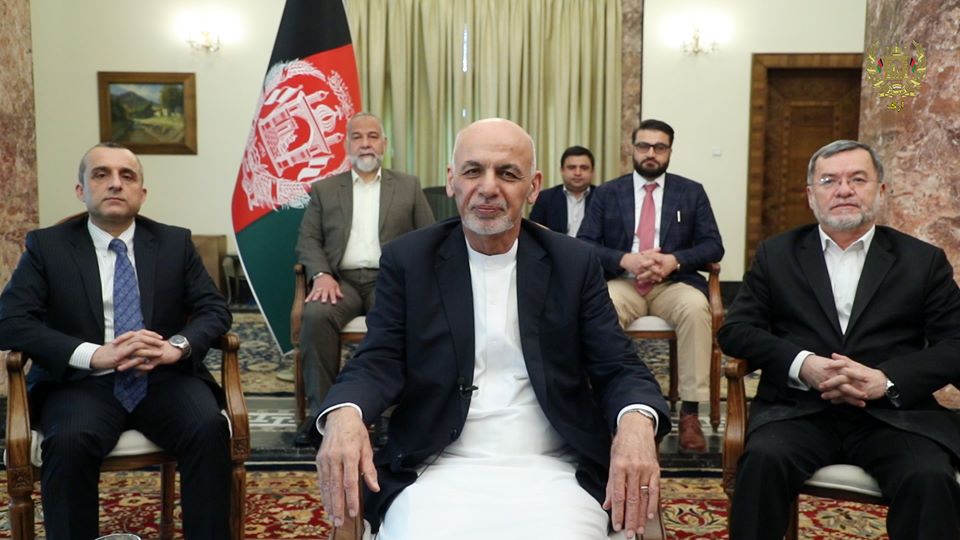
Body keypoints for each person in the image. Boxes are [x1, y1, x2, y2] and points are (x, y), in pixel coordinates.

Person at [315, 118, 670, 539]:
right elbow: (378, 360)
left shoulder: (573, 262)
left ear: (533, 187)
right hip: (436, 464)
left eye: (507, 173)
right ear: (452, 181)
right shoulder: (409, 259)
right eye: (473, 171)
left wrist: (636, 421)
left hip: (555, 466)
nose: (488, 187)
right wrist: (345, 413)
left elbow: (618, 366)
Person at [719, 140, 960, 539]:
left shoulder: (922, 260)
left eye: (857, 179)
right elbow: (736, 330)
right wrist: (803, 365)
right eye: (829, 181)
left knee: (930, 477)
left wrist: (886, 380)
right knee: (762, 462)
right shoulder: (777, 254)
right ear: (810, 195)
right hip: (799, 412)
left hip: (893, 417)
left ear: (881, 190)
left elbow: (955, 342)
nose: (843, 190)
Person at [0, 143, 233, 539]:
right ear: (81, 190)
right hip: (81, 384)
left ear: (142, 192)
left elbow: (214, 309)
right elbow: (10, 321)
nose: (114, 184)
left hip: (163, 379)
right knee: (69, 441)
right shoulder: (47, 247)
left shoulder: (174, 243)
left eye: (127, 176)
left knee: (208, 428)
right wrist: (93, 355)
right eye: (100, 174)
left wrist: (175, 346)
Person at [577, 119, 724, 452]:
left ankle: (690, 411)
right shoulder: (607, 193)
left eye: (659, 147)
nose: (651, 153)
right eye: (644, 146)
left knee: (696, 309)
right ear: (633, 149)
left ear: (670, 151)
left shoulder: (691, 192)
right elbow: (585, 244)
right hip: (624, 282)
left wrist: (674, 260)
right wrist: (624, 259)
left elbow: (713, 245)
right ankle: (606, 403)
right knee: (602, 309)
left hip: (672, 283)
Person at [294, 112, 435, 446]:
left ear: (384, 144)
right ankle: (322, 412)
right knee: (316, 315)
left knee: (402, 320)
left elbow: (428, 235)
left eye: (373, 136)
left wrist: (413, 280)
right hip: (340, 281)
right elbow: (308, 240)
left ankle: (390, 414)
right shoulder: (326, 189)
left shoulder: (408, 186)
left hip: (390, 280)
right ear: (347, 145)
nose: (366, 143)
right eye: (357, 137)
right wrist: (321, 274)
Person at [529, 145, 596, 236]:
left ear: (592, 171)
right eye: (572, 167)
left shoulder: (602, 198)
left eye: (584, 168)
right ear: (562, 170)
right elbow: (533, 232)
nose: (578, 173)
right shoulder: (545, 198)